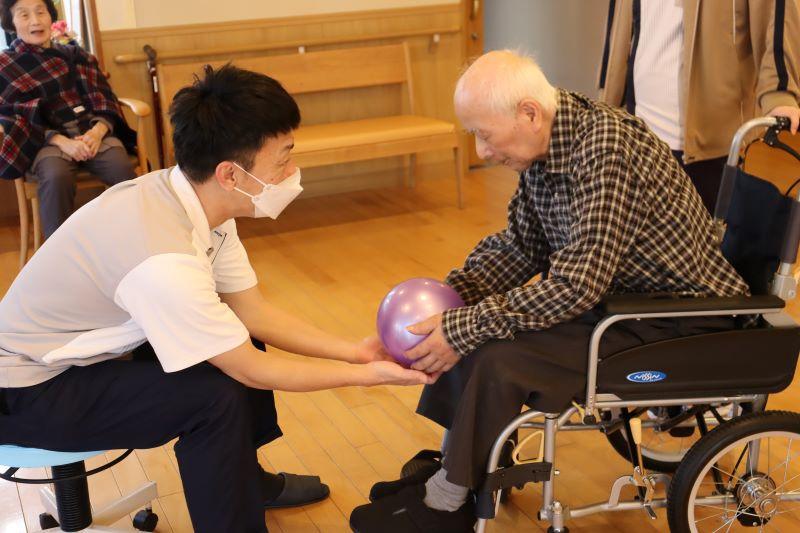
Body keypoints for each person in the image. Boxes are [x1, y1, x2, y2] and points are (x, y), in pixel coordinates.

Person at [0, 64, 432, 533]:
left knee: (236, 332)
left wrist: (355, 351)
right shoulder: (162, 256)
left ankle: (247, 481)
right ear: (230, 174)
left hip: (81, 356)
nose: (292, 172)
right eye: (282, 160)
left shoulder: (197, 201)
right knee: (215, 398)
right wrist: (366, 376)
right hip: (26, 388)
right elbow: (249, 370)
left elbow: (254, 312)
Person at [349, 50, 751, 532]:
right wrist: (452, 299)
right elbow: (523, 245)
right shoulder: (549, 146)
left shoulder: (605, 150)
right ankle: (459, 470)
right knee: (475, 331)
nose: (482, 151)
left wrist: (463, 326)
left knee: (499, 356)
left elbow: (578, 284)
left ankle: (446, 505)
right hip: (617, 301)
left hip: (677, 316)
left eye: (484, 134)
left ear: (529, 114)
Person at [598, 0, 800, 214]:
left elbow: (778, 10)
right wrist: (607, 96)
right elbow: (619, 19)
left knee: (708, 229)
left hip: (709, 139)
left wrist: (780, 91)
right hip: (636, 131)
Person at [0, 0, 137, 238]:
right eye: (24, 15)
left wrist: (97, 132)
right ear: (11, 24)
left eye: (40, 12)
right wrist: (61, 141)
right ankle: (57, 248)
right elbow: (15, 116)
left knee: (121, 167)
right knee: (56, 175)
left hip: (91, 133)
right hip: (45, 141)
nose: (35, 21)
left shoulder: (77, 56)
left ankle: (130, 238)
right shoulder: (6, 66)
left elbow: (104, 98)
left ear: (51, 16)